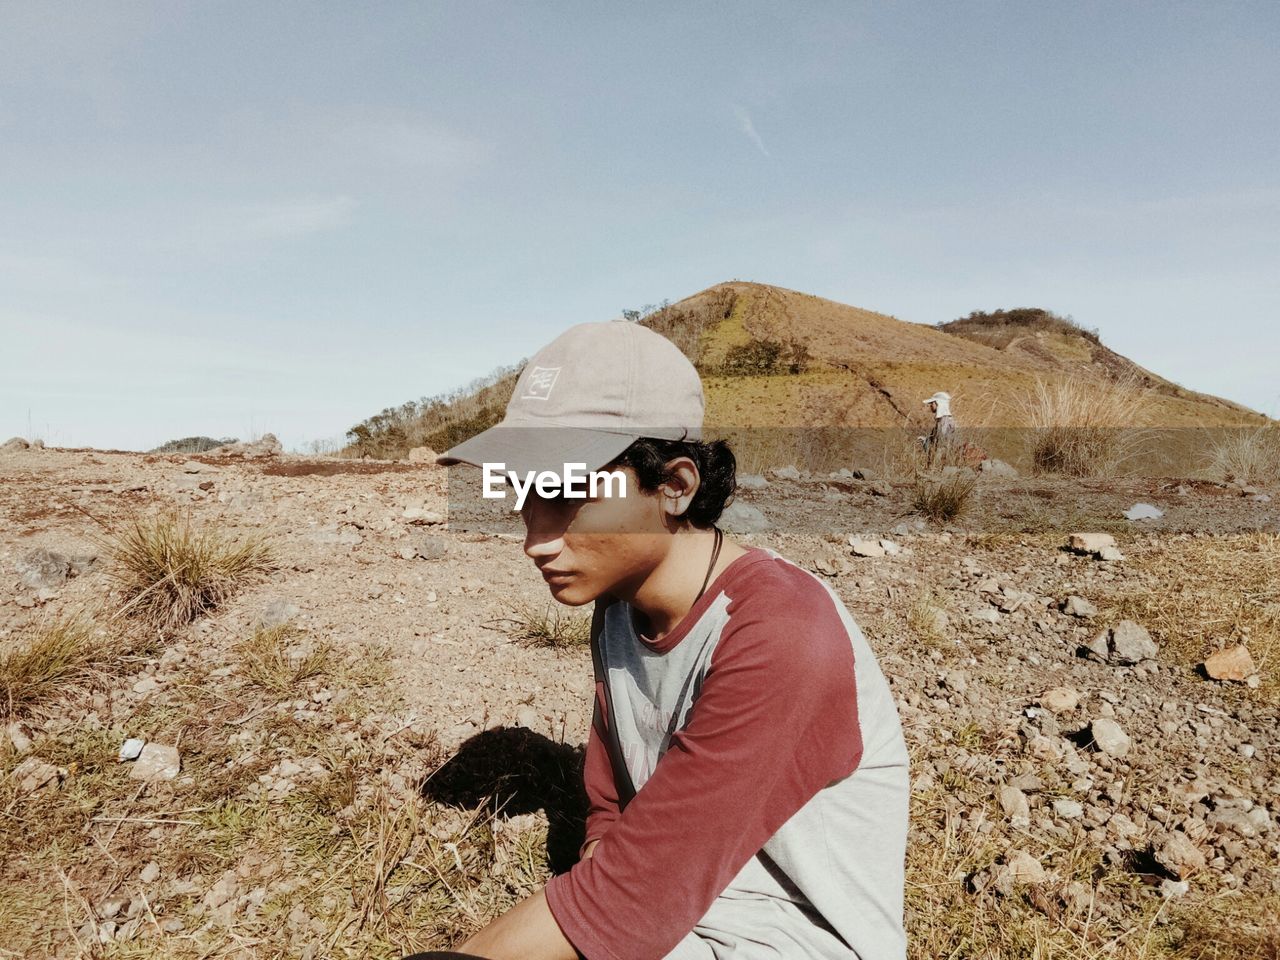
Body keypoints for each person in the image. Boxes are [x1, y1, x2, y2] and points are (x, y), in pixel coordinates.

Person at [429, 320, 909, 960]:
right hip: (671, 922)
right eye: (522, 492)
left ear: (675, 486)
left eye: (565, 492)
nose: (535, 539)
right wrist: (609, 863)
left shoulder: (780, 635)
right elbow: (609, 806)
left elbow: (624, 902)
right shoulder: (617, 609)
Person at [921, 391, 955, 468]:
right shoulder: (943, 420)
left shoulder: (944, 421)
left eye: (932, 403)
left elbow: (942, 445)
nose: (930, 406)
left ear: (938, 404)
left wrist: (934, 465)